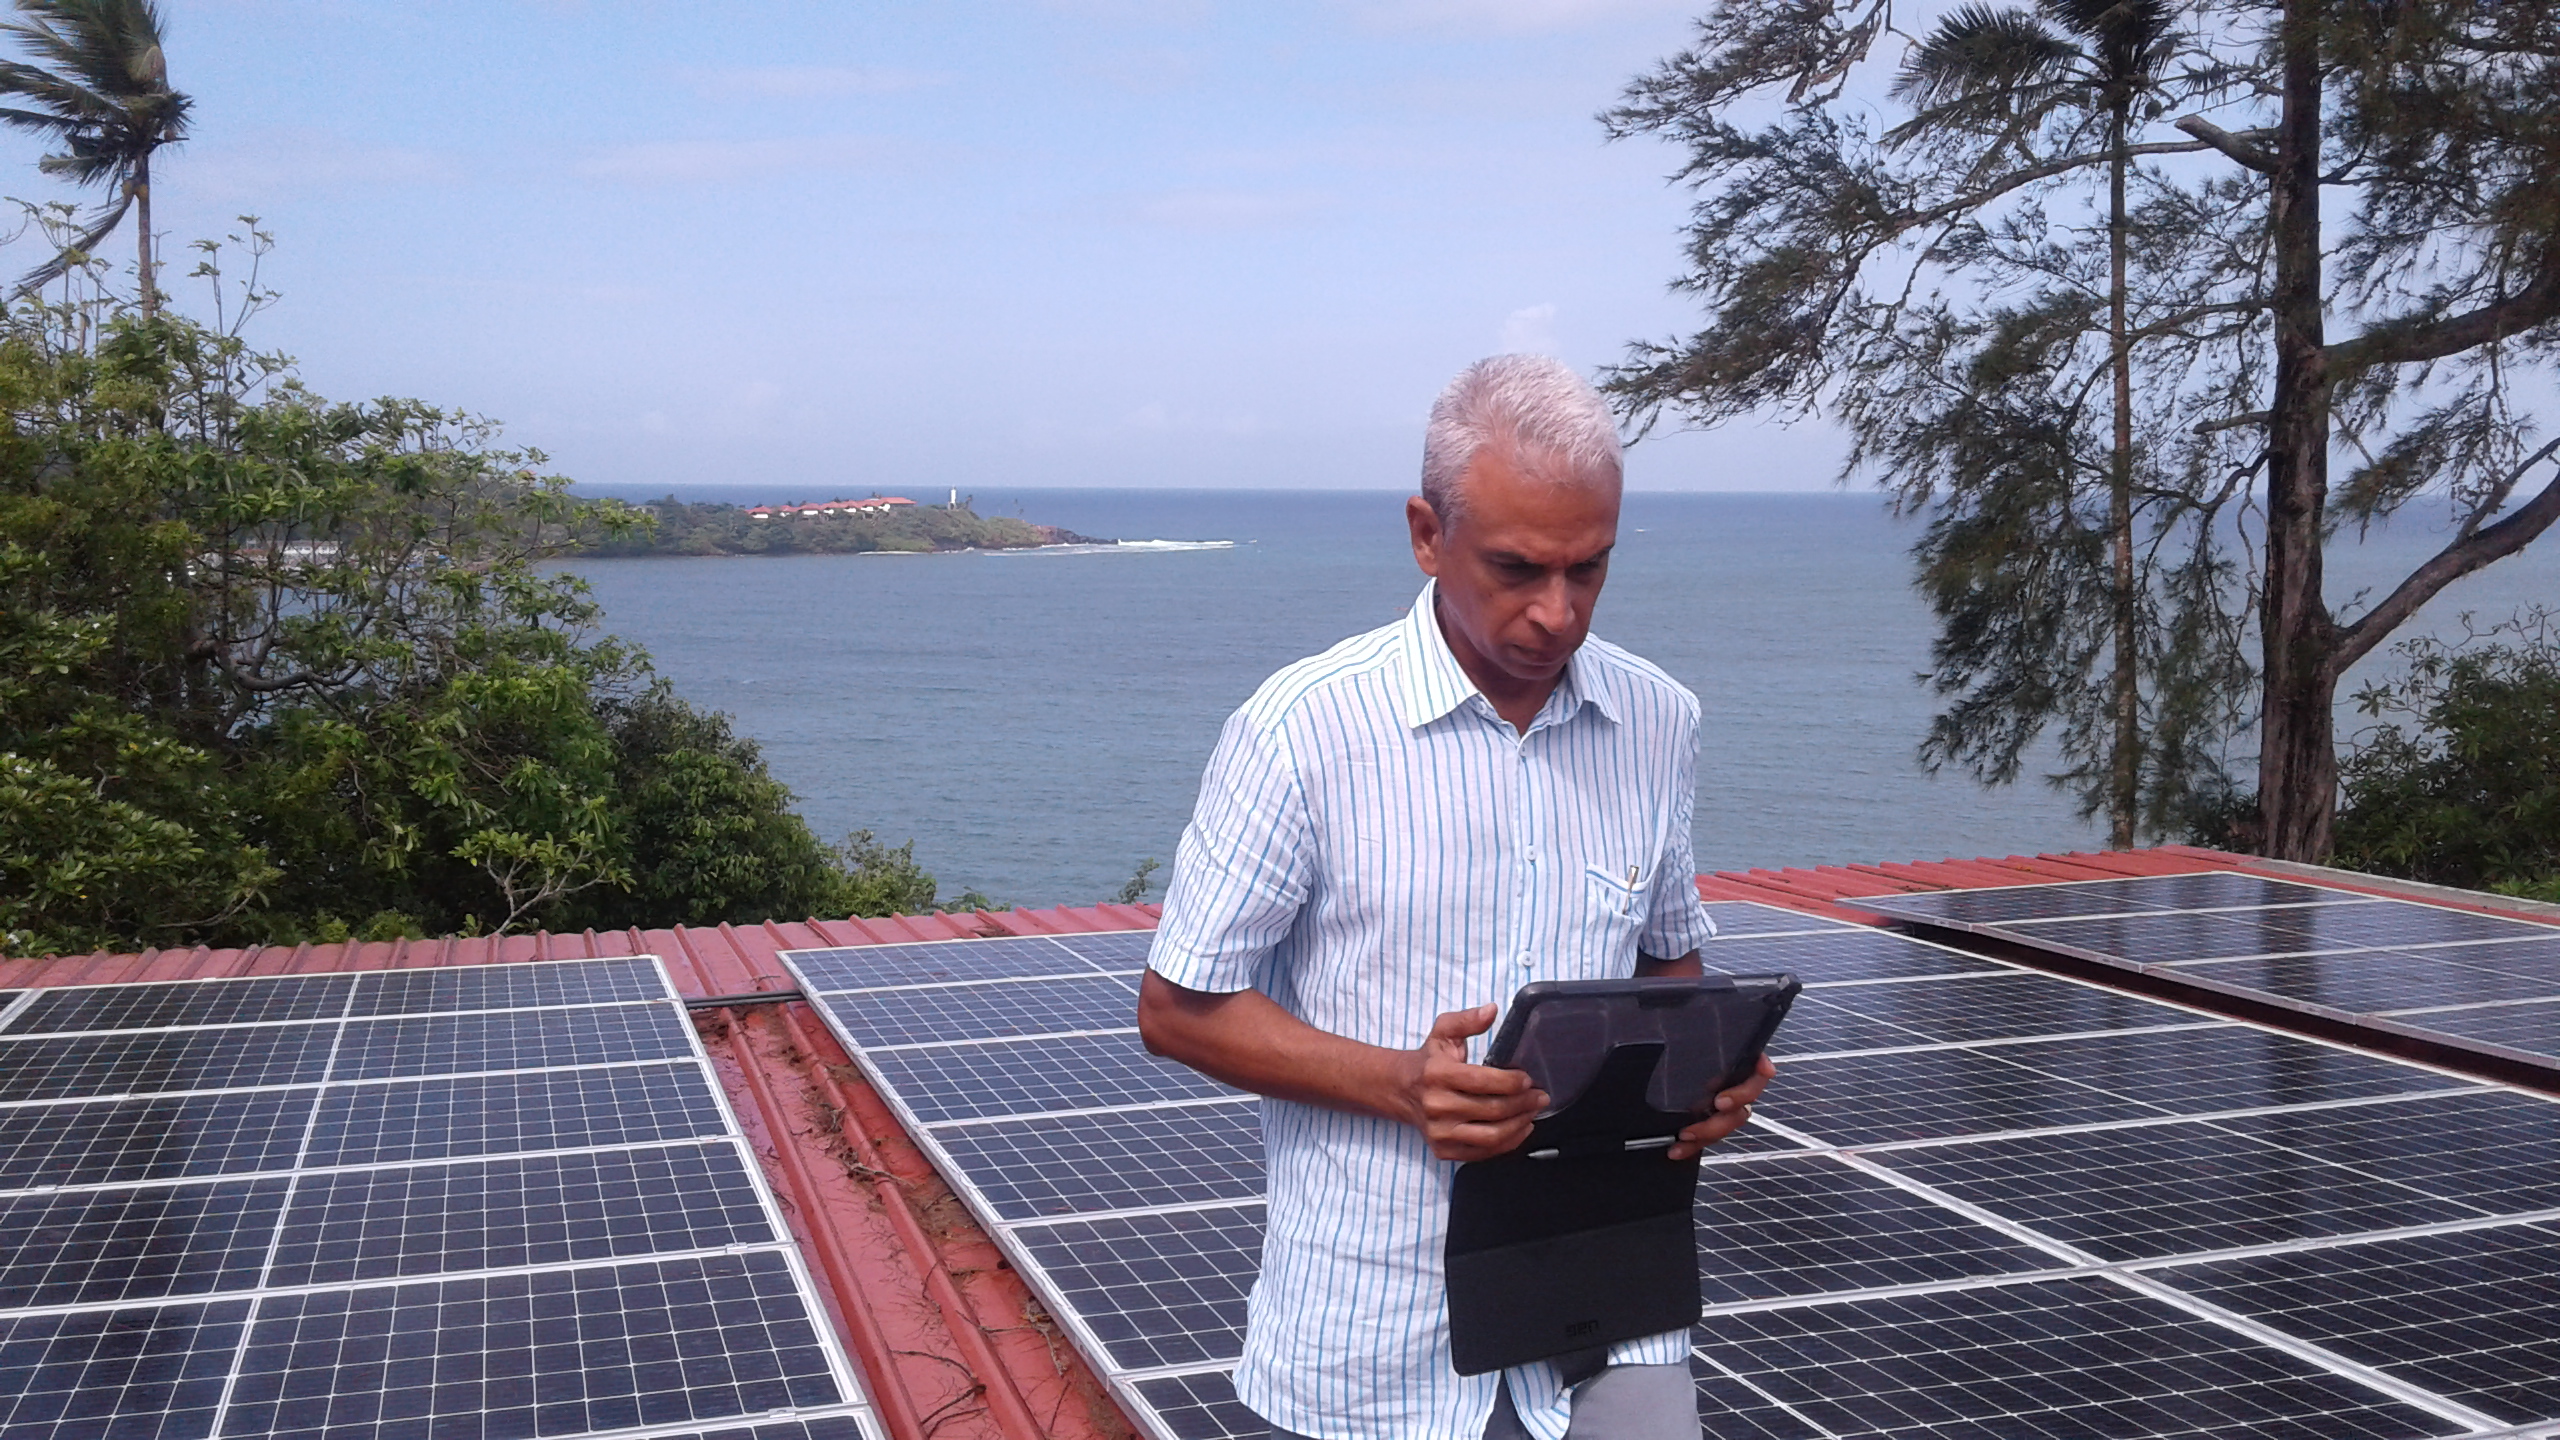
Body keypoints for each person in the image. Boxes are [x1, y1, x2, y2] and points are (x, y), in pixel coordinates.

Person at [1137, 354, 1773, 1440]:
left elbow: (1668, 963)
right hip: (1381, 1335)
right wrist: (1402, 1085)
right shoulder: (1302, 729)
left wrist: (1706, 1072)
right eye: (1517, 569)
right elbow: (1174, 1008)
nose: (1557, 613)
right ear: (1426, 535)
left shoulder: (1660, 719)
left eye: (1590, 569)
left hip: (1616, 1306)